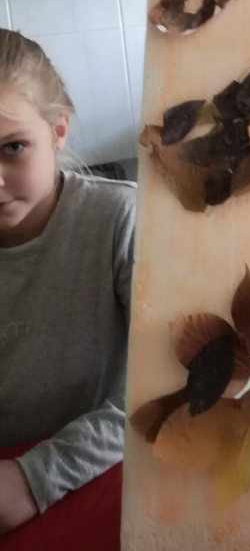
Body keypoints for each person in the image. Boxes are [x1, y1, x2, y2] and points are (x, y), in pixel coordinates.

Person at [0, 30, 135, 535]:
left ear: (58, 132)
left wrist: (35, 478)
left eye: (13, 148)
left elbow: (169, 386)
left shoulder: (117, 219)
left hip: (100, 475)